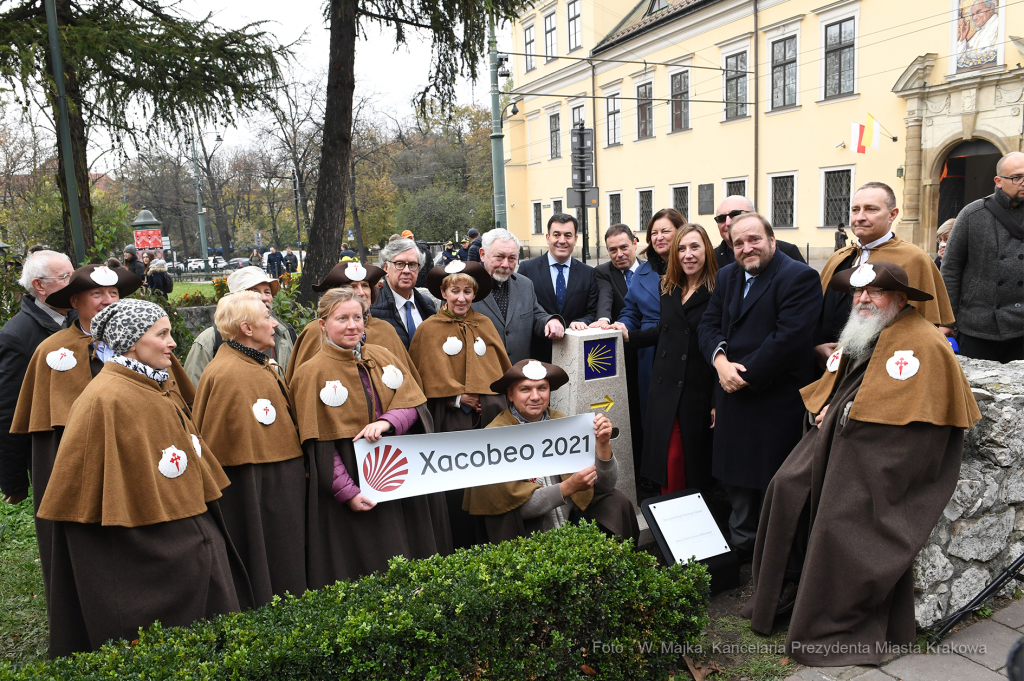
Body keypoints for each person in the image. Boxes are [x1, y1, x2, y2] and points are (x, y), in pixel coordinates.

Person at [741, 262, 981, 666]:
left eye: (876, 292)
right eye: (858, 293)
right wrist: (832, 409)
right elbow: (846, 390)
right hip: (844, 438)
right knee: (786, 485)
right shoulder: (866, 331)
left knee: (841, 514)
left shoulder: (923, 342)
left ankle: (833, 616)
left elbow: (919, 426)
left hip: (893, 453)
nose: (864, 299)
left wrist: (840, 416)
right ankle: (786, 590)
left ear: (901, 299)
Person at [38, 299, 250, 656]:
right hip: (147, 560)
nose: (172, 343)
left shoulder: (152, 385)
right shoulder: (107, 399)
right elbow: (99, 502)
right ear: (132, 342)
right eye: (162, 334)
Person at [8, 266, 154, 644]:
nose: (108, 301)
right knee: (87, 552)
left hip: (136, 464)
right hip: (79, 471)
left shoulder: (144, 345)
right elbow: (34, 429)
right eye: (97, 295)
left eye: (114, 295)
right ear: (74, 302)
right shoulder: (50, 353)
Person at [290, 287, 451, 587]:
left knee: (411, 562)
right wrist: (348, 492)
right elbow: (319, 445)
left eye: (358, 317)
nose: (352, 325)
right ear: (323, 323)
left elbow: (414, 405)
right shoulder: (310, 373)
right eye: (342, 319)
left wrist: (389, 422)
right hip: (351, 482)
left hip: (399, 476)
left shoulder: (382, 355)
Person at [697, 212, 821, 561]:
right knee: (735, 479)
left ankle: (777, 558)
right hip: (731, 392)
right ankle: (742, 548)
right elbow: (708, 326)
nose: (747, 248)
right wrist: (721, 363)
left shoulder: (799, 277)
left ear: (772, 241)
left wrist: (742, 377)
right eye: (738, 243)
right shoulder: (727, 276)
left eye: (754, 240)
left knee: (772, 481)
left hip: (773, 399)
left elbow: (789, 339)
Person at [193, 292, 306, 606]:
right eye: (266, 318)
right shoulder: (229, 374)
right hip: (257, 492)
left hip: (275, 486)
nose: (273, 324)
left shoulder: (256, 363)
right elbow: (227, 448)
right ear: (246, 328)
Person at [463, 359, 640, 544]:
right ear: (510, 395)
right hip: (530, 531)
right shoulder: (494, 437)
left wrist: (603, 445)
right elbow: (516, 508)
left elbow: (605, 486)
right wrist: (569, 487)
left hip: (572, 520)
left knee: (616, 502)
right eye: (525, 389)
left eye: (542, 388)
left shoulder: (564, 423)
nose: (535, 396)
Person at [409, 261, 512, 548]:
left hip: (486, 421)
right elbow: (420, 383)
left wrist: (487, 398)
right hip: (448, 422)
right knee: (455, 489)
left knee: (487, 484)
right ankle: (455, 544)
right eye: (455, 290)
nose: (461, 298)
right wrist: (456, 397)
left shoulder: (485, 324)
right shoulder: (428, 330)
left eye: (468, 291)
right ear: (443, 291)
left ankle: (490, 541)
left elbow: (500, 372)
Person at [614, 224, 718, 495]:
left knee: (685, 461)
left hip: (696, 389)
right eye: (681, 249)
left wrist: (718, 401)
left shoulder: (718, 290)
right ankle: (669, 519)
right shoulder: (669, 287)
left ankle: (688, 520)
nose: (688, 255)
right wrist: (627, 337)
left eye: (695, 247)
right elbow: (664, 331)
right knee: (665, 458)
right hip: (664, 386)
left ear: (706, 249)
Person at [817, 182, 955, 368]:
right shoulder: (838, 257)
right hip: (826, 365)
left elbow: (924, 327)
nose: (860, 217)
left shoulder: (914, 259)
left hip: (880, 367)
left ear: (893, 214)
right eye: (855, 210)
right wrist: (816, 346)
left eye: (871, 209)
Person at [0, 251, 75, 506]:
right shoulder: (16, 336)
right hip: (52, 454)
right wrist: (14, 479)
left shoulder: (77, 320)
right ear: (39, 285)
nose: (74, 282)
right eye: (65, 277)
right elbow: (9, 410)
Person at [285, 261, 422, 389]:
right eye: (352, 287)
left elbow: (408, 384)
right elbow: (302, 386)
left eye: (365, 285)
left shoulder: (385, 330)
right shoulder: (316, 331)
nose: (361, 292)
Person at [941, 151, 1024, 362]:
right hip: (978, 328)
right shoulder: (972, 215)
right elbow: (950, 269)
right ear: (998, 181)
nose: (1023, 182)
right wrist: (946, 320)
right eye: (1017, 177)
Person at [589, 224, 646, 489]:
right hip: (623, 355)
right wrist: (603, 319)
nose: (619, 254)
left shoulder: (652, 270)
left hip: (652, 349)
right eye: (612, 250)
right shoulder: (603, 272)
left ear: (635, 243)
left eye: (624, 247)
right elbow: (605, 297)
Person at [618, 208, 681, 424]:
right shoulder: (641, 273)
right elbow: (631, 310)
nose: (659, 237)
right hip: (648, 353)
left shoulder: (690, 269)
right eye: (654, 233)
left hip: (680, 349)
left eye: (665, 231)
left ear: (680, 231)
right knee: (651, 416)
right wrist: (623, 325)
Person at [183, 267, 296, 386]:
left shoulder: (286, 333)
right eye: (254, 292)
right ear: (236, 300)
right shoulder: (209, 341)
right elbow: (195, 397)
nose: (263, 298)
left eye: (267, 292)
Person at [471, 229, 564, 365]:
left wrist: (550, 321)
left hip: (518, 376)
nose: (505, 265)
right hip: (482, 376)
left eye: (512, 258)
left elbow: (536, 315)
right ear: (483, 254)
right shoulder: (464, 288)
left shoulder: (525, 285)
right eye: (499, 257)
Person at [517, 213, 599, 362]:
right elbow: (522, 309)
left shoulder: (588, 273)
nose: (562, 241)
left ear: (575, 239)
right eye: (557, 235)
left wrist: (582, 321)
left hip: (575, 354)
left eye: (568, 235)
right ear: (548, 238)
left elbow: (592, 311)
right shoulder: (527, 269)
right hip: (537, 353)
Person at [368, 238, 436, 349]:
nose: (406, 270)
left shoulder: (427, 304)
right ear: (386, 268)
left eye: (412, 264)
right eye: (399, 264)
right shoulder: (372, 307)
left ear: (419, 269)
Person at [712, 195, 806, 268]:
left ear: (754, 216)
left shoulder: (787, 251)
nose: (728, 222)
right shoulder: (710, 259)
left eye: (735, 215)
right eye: (721, 218)